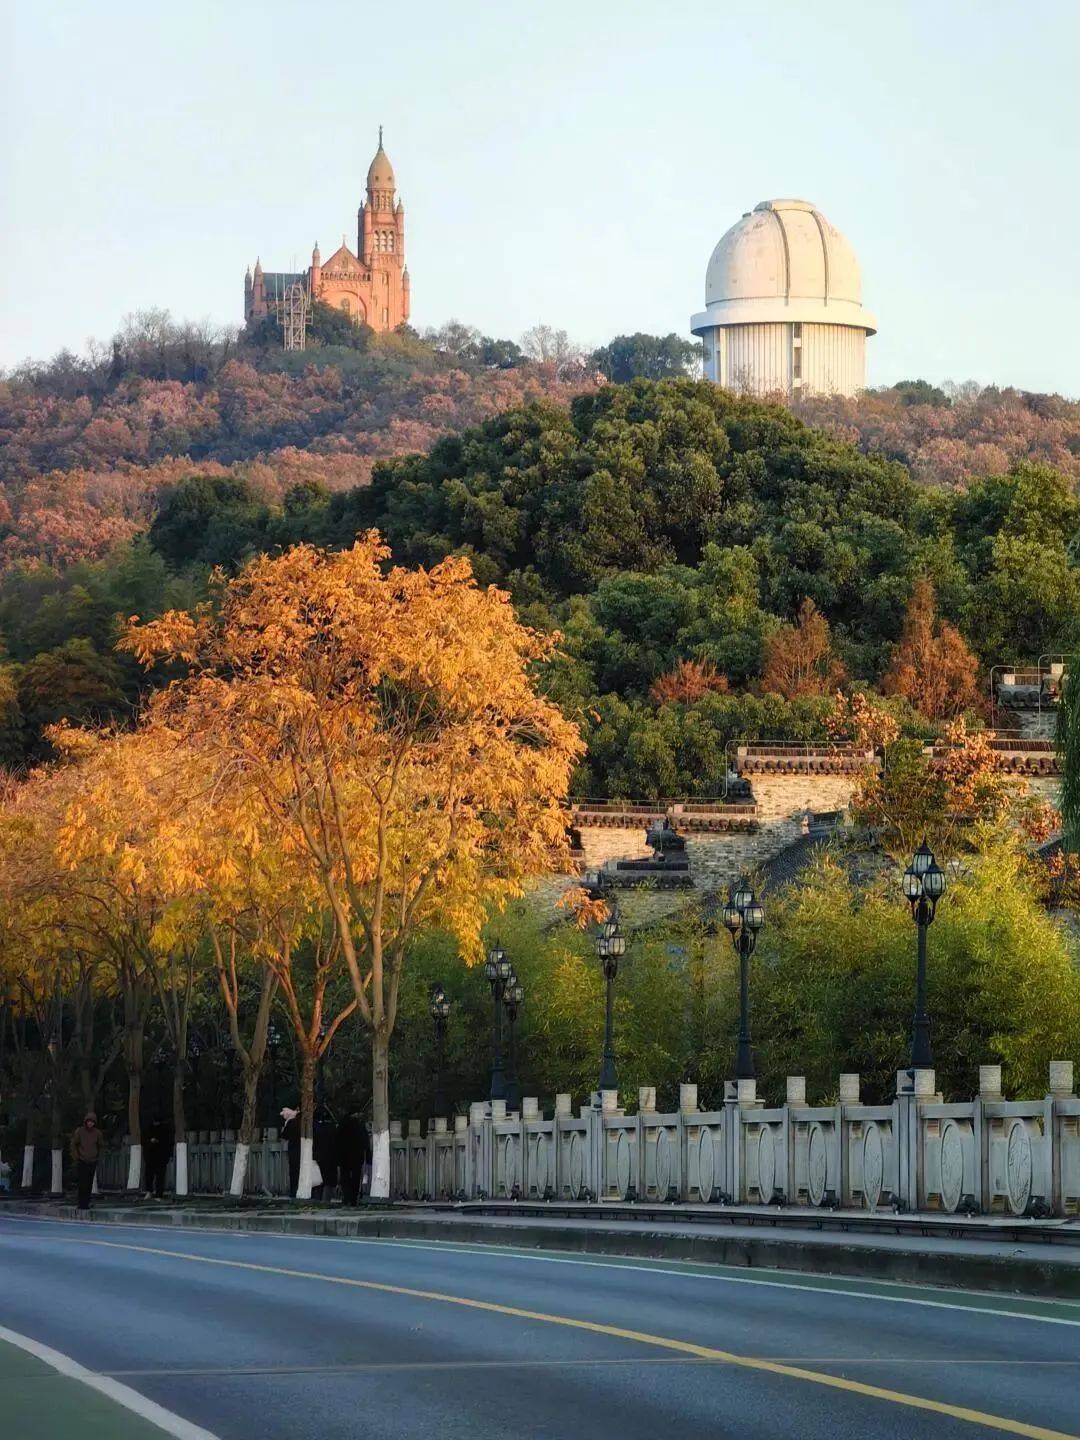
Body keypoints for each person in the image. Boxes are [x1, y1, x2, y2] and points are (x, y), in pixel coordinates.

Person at [70, 1113, 106, 1211]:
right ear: (86, 1122)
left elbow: (101, 1146)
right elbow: (73, 1144)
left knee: (89, 1183)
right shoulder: (80, 1131)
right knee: (82, 1183)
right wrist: (76, 1157)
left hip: (93, 1161)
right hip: (82, 1160)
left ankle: (86, 1203)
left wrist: (99, 1158)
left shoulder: (97, 1133)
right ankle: (81, 1203)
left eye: (92, 1122)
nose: (90, 1124)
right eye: (89, 1122)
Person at [337, 1104, 372, 1207]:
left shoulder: (342, 1125)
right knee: (356, 1178)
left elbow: (337, 1141)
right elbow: (365, 1142)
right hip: (357, 1156)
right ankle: (353, 1199)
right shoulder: (360, 1125)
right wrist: (368, 1156)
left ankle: (346, 1198)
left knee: (345, 1177)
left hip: (344, 1156)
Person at [313, 1108, 339, 1204]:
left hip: (319, 1157)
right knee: (329, 1181)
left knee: (319, 1179)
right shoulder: (333, 1129)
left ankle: (318, 1199)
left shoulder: (317, 1129)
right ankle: (326, 1200)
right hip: (331, 1157)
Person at [143, 1116, 173, 1200]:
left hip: (160, 1156)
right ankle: (151, 1192)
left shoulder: (164, 1129)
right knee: (150, 1176)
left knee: (159, 1176)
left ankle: (158, 1194)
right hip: (151, 1156)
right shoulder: (149, 1128)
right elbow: (145, 1141)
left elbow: (167, 1143)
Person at [280, 1106, 301, 1198]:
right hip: (305, 1151)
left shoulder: (291, 1122)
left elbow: (284, 1136)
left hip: (293, 1151)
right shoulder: (306, 1123)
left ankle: (293, 1191)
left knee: (294, 1172)